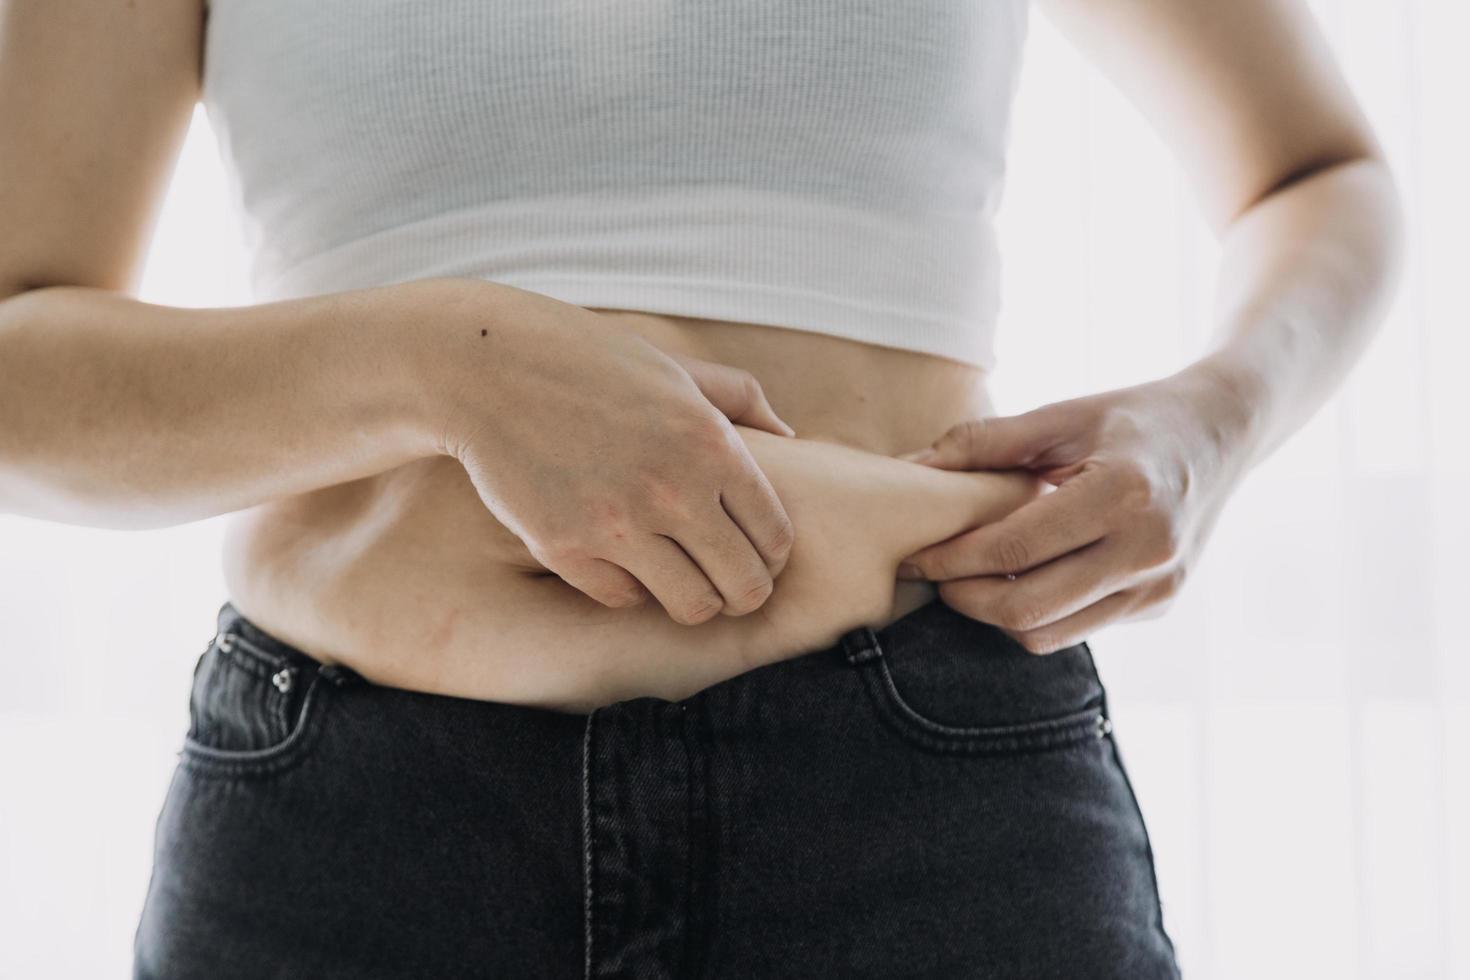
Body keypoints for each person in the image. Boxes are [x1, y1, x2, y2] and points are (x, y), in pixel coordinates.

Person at [0, 0, 1401, 976]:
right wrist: (441, 361)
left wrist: (1209, 424)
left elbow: (1314, 169)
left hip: (924, 806)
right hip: (357, 840)